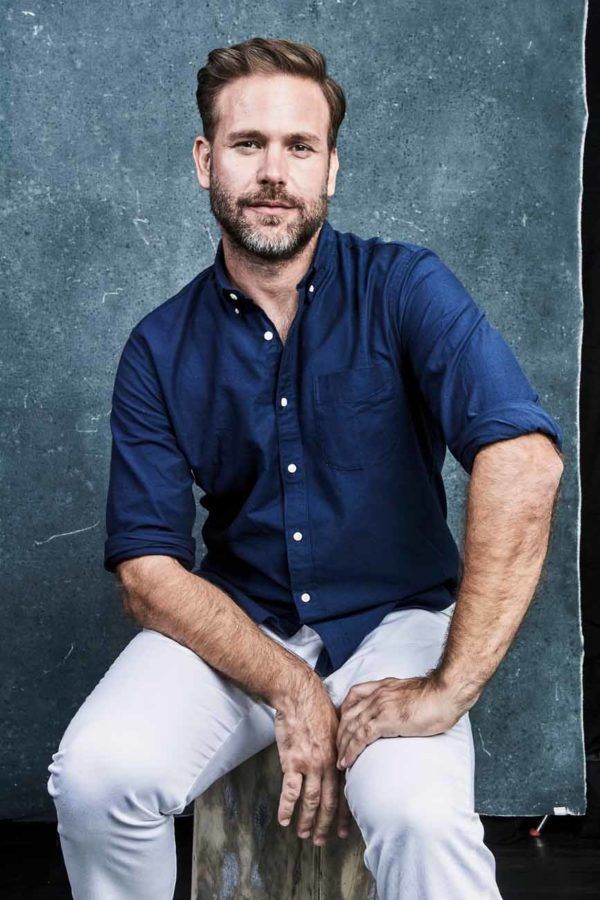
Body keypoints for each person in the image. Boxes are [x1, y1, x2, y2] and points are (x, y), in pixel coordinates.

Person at [47, 36, 565, 900]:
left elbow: (523, 460)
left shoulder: (406, 287)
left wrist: (448, 689)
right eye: (249, 145)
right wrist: (289, 683)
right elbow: (147, 573)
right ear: (205, 160)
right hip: (243, 630)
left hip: (399, 621)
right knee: (98, 780)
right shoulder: (158, 347)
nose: (275, 171)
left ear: (332, 168)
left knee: (420, 820)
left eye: (300, 146)